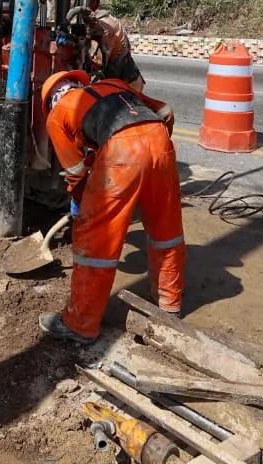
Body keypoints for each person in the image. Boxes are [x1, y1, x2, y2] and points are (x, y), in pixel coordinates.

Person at [37, 69, 185, 344]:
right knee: (167, 231)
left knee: (96, 244)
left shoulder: (58, 115)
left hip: (122, 154)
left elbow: (76, 170)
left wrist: (81, 204)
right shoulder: (114, 84)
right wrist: (155, 152)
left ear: (51, 102)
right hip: (160, 141)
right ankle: (170, 303)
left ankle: (80, 325)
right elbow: (165, 110)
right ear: (77, 83)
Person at [84, 0, 145, 92]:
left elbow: (98, 64)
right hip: (116, 84)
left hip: (127, 86)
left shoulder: (104, 26)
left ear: (93, 0)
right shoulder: (98, 22)